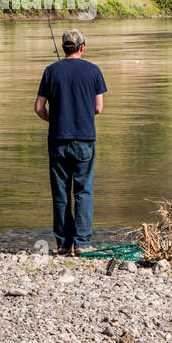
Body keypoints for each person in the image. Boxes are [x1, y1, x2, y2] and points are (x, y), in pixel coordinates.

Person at [34, 28, 107, 255]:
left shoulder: (50, 71)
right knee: (83, 191)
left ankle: (64, 244)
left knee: (61, 193)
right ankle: (83, 244)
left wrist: (54, 121)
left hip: (58, 139)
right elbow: (98, 108)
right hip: (85, 139)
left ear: (64, 47)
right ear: (82, 47)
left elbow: (38, 108)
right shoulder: (93, 70)